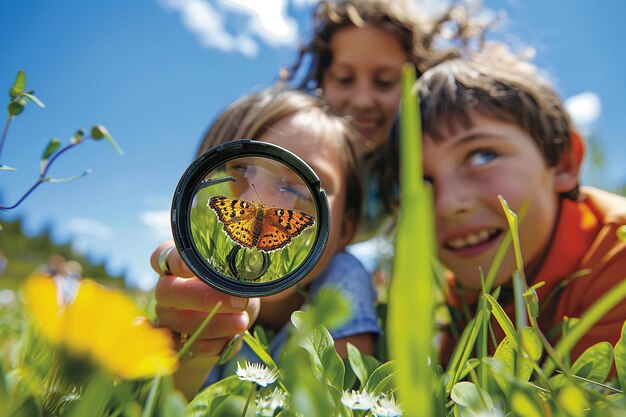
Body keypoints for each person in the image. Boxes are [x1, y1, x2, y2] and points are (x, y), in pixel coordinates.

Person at [151, 88, 380, 399]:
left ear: (346, 229)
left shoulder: (343, 279)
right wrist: (189, 358)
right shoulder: (203, 286)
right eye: (240, 171)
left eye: (298, 189)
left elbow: (331, 397)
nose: (256, 197)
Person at [404, 48, 626, 364]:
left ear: (563, 162)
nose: (447, 205)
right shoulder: (466, 292)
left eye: (482, 156)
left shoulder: (618, 255)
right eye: (421, 180)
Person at [282, 0, 494, 240]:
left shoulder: (420, 165)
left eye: (385, 82)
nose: (363, 101)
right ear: (322, 81)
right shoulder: (294, 150)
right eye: (343, 79)